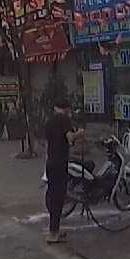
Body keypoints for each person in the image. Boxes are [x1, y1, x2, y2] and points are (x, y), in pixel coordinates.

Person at [44, 98, 84, 243]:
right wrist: (79, 133)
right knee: (58, 198)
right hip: (60, 163)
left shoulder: (49, 121)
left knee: (53, 197)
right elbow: (70, 138)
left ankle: (54, 229)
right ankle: (53, 234)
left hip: (50, 163)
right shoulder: (64, 119)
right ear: (66, 108)